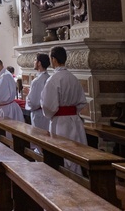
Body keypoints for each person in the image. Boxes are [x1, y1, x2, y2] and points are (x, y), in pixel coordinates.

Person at [41, 46, 87, 174]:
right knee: (76, 151)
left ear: (54, 60)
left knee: (63, 153)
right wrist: (72, 111)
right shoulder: (73, 78)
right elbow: (82, 101)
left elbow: (48, 106)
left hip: (60, 123)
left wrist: (50, 114)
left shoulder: (53, 79)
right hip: (75, 121)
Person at [0, 57, 25, 122]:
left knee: (7, 131)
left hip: (7, 110)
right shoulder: (5, 74)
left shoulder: (4, 76)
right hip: (7, 107)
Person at [26, 53, 50, 131]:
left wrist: (28, 95)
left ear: (39, 63)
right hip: (47, 113)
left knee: (39, 137)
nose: (34, 62)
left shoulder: (37, 81)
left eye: (35, 60)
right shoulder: (49, 77)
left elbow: (33, 103)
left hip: (39, 115)